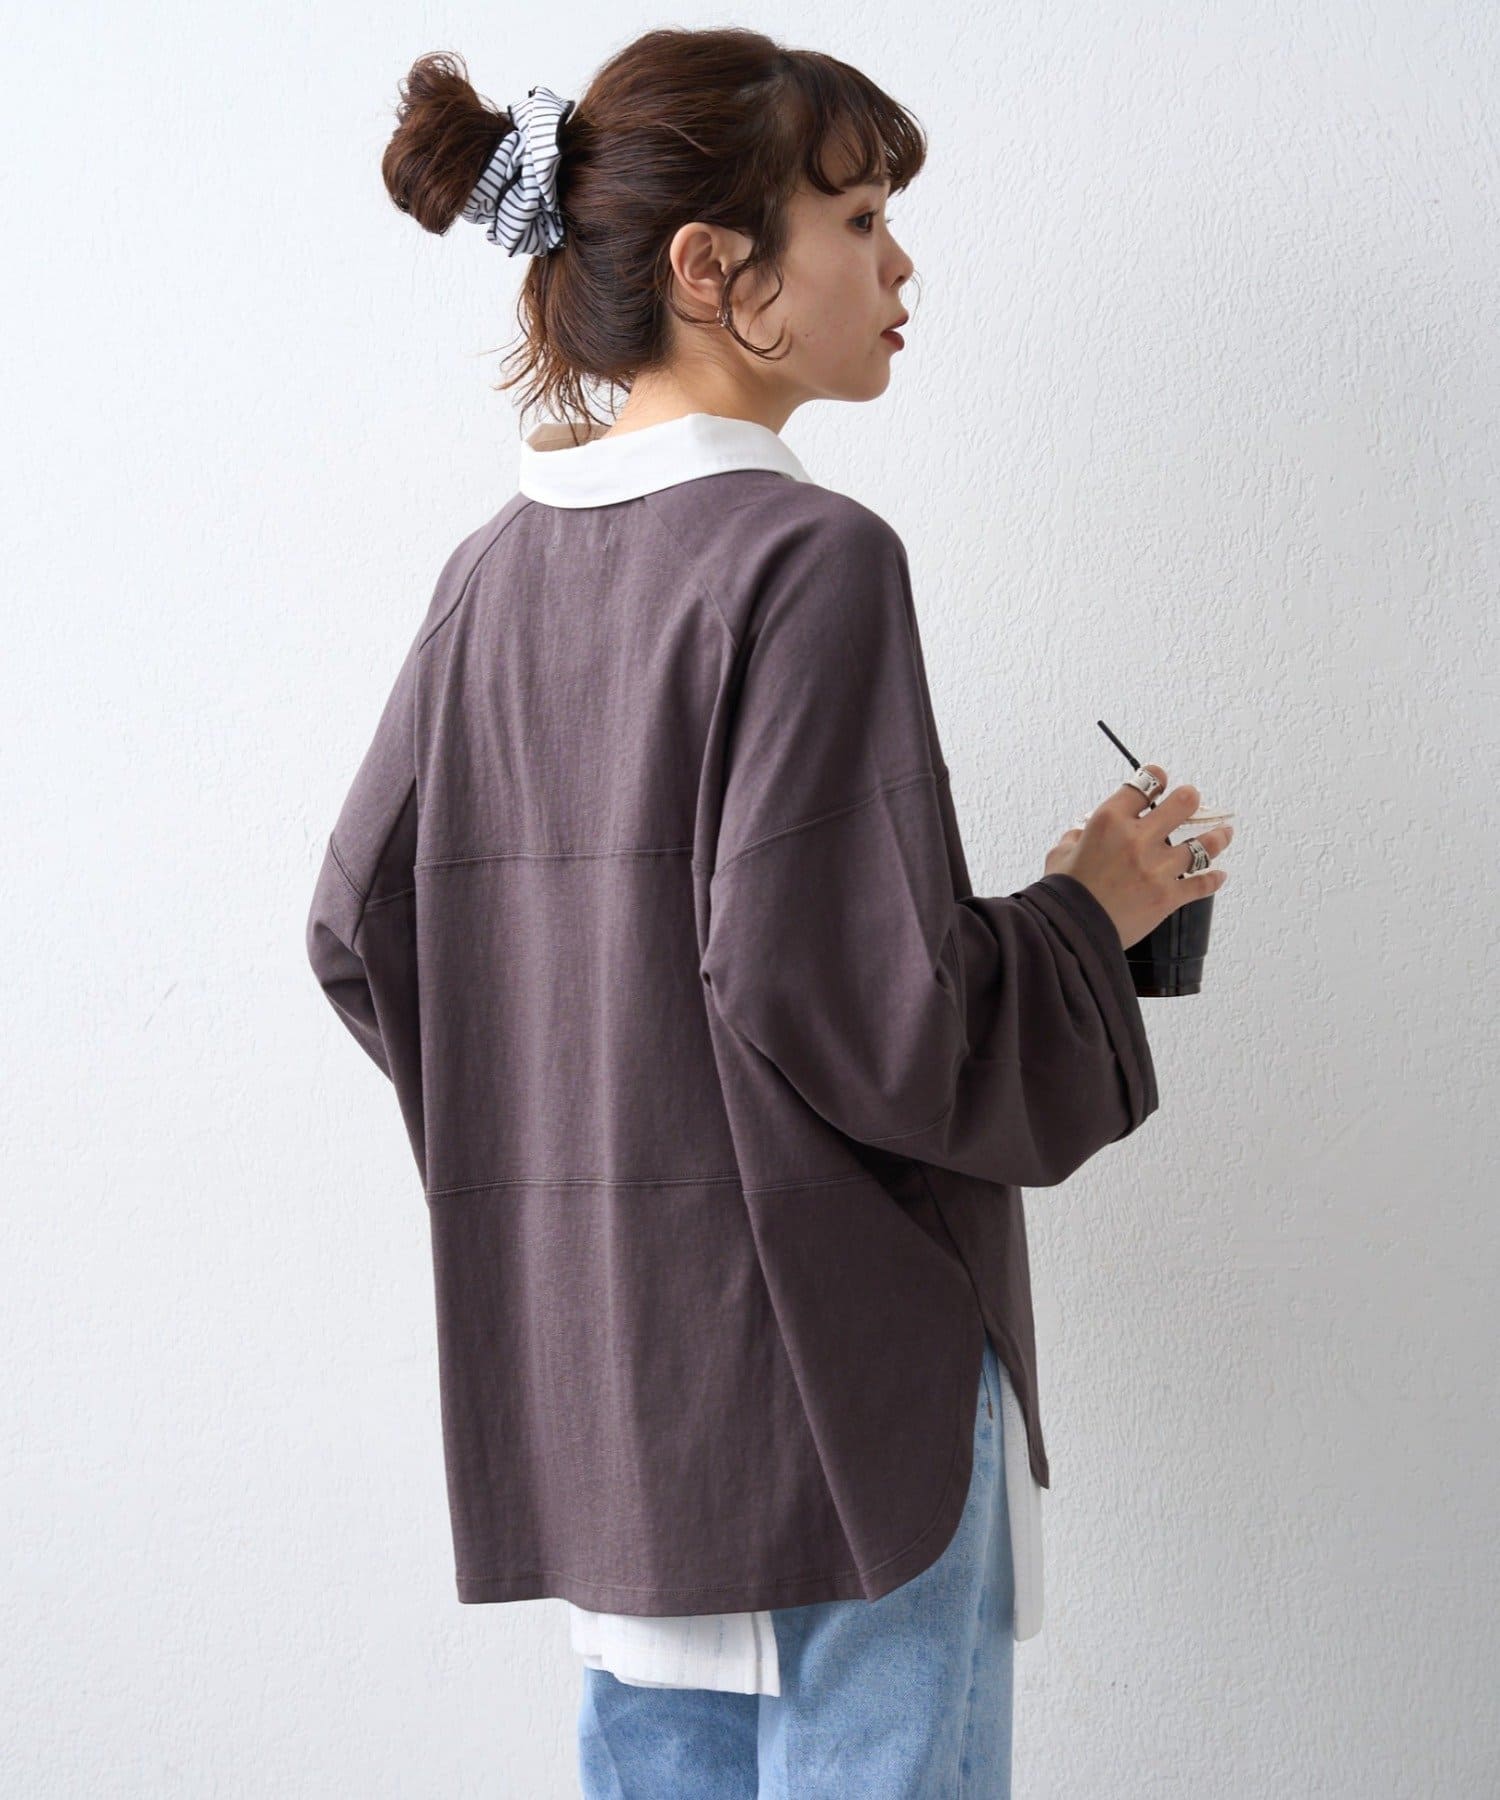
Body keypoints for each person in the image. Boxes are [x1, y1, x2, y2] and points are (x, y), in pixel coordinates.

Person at [306, 28, 1234, 1797]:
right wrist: (1086, 913)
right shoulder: (811, 560)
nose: (902, 266)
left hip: (612, 1388)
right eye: (860, 219)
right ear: (711, 268)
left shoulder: (487, 579)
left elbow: (362, 932)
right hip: (837, 1384)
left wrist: (579, 1171)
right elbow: (867, 1008)